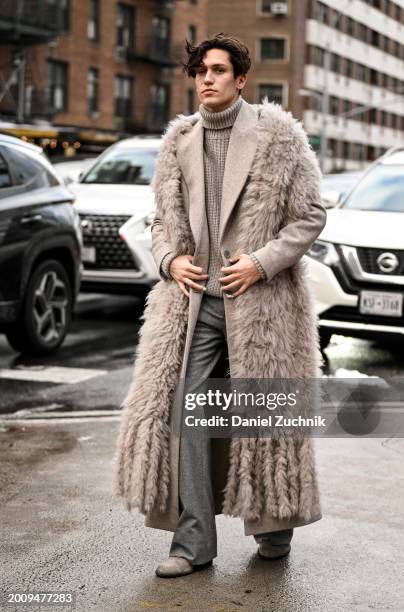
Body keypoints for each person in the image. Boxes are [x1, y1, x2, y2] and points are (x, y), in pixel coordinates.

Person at [115, 33, 327, 579]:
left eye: (217, 70)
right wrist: (169, 262)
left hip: (262, 306)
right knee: (188, 411)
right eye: (199, 71)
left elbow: (309, 215)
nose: (206, 79)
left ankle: (275, 525)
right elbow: (162, 220)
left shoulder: (280, 137)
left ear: (240, 79)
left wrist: (262, 262)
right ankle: (193, 543)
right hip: (194, 304)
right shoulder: (178, 140)